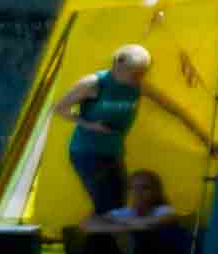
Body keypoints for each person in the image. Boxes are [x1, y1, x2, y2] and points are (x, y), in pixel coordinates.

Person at [66, 42, 155, 226]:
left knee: (118, 203)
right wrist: (90, 125)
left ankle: (99, 246)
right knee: (107, 205)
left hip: (113, 153)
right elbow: (59, 109)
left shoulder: (138, 86)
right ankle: (95, 246)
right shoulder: (93, 83)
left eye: (142, 73)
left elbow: (174, 109)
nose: (138, 77)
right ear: (118, 65)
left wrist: (204, 136)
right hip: (87, 152)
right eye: (135, 73)